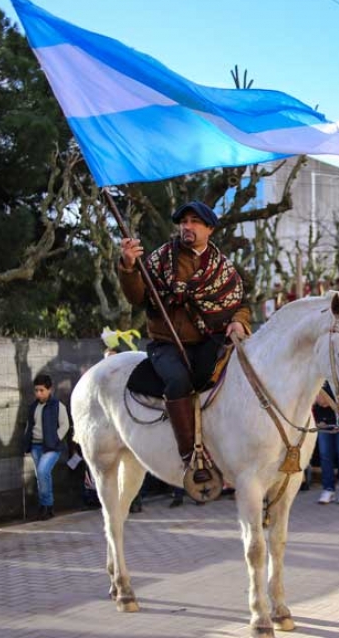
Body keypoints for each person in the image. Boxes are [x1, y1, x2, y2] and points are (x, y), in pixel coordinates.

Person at [118, 201, 251, 483]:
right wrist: (129, 266)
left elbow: (240, 303)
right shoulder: (159, 259)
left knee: (231, 374)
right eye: (183, 222)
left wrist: (239, 320)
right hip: (166, 344)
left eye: (194, 222)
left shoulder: (223, 268)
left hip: (207, 341)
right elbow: (138, 297)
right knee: (178, 382)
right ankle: (191, 457)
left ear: (209, 229)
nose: (187, 227)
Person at [22, 374, 71, 521]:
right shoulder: (33, 407)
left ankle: (46, 505)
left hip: (52, 448)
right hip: (36, 446)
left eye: (42, 390)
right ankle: (47, 509)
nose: (39, 393)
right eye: (36, 390)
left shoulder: (58, 406)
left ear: (50, 389)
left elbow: (65, 425)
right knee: (42, 477)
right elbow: (30, 425)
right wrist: (28, 442)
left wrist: (55, 438)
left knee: (43, 472)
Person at [314, 385, 339, 505]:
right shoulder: (321, 371)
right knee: (325, 455)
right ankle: (328, 489)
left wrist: (327, 398)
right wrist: (318, 398)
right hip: (323, 420)